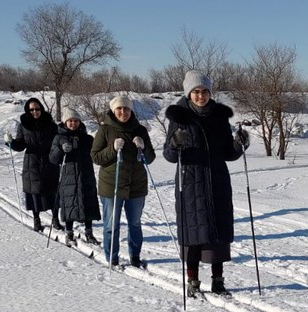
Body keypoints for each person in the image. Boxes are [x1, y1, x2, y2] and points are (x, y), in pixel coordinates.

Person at [163, 70, 249, 296]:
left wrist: (240, 144)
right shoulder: (178, 117)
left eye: (205, 92)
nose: (201, 96)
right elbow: (170, 156)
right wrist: (175, 143)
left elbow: (228, 153)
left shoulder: (219, 117)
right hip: (190, 183)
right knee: (192, 234)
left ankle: (218, 280)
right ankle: (192, 281)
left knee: (217, 234)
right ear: (189, 93)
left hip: (217, 180)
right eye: (196, 92)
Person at [91, 95, 156, 268]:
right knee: (111, 225)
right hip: (112, 185)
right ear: (113, 110)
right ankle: (112, 257)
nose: (123, 112)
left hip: (136, 185)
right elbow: (95, 157)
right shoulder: (105, 130)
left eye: (126, 109)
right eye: (119, 109)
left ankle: (135, 256)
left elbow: (149, 158)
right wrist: (112, 149)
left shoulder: (140, 130)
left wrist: (143, 147)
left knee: (134, 223)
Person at [4, 97, 59, 232]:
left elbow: (57, 140)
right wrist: (11, 142)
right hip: (32, 162)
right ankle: (36, 219)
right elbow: (20, 145)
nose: (35, 112)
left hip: (49, 161)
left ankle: (55, 218)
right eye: (32, 110)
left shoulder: (50, 124)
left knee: (52, 190)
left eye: (37, 109)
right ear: (28, 111)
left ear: (41, 108)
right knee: (35, 191)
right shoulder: (24, 126)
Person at [48, 107, 100, 246]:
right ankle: (69, 233)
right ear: (65, 122)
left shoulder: (87, 138)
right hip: (68, 177)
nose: (73, 123)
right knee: (69, 204)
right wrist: (60, 150)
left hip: (86, 174)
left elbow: (95, 154)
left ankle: (89, 233)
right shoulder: (59, 138)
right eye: (70, 121)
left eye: (76, 121)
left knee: (88, 203)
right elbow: (53, 159)